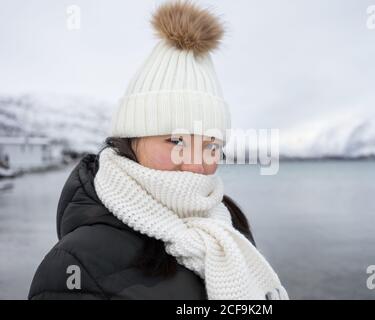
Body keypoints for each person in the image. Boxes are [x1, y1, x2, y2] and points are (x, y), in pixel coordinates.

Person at [28, 1, 289, 300]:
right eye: (177, 141)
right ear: (130, 140)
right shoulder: (74, 266)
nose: (195, 163)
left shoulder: (228, 224)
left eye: (211, 145)